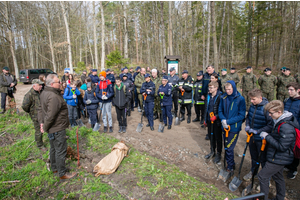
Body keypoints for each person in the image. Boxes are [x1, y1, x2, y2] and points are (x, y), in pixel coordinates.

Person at [38, 74, 77, 180]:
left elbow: (41, 109)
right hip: (57, 128)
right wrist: (44, 127)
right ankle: (62, 173)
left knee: (54, 148)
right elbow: (50, 115)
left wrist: (42, 123)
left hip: (52, 127)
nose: (60, 83)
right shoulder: (53, 96)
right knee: (60, 150)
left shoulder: (44, 92)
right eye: (58, 82)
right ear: (52, 84)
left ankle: (54, 168)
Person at [258, 100, 297, 200]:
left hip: (280, 158)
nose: (270, 115)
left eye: (271, 113)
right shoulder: (279, 121)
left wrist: (267, 137)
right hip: (276, 155)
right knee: (278, 177)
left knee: (262, 176)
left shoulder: (286, 127)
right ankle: (280, 197)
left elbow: (282, 147)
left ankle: (264, 198)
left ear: (279, 112)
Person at [243, 89, 273, 181]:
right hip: (252, 137)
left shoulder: (267, 108)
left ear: (260, 98)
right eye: (251, 99)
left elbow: (270, 125)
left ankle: (265, 178)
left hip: (261, 139)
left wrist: (258, 131)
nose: (251, 101)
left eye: (253, 99)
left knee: (263, 159)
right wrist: (247, 126)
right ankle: (253, 172)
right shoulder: (252, 106)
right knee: (254, 156)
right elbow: (248, 117)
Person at [218, 81, 246, 177]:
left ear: (234, 88)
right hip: (224, 126)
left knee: (229, 148)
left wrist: (228, 121)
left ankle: (230, 167)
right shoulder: (223, 97)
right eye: (226, 89)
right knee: (226, 146)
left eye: (229, 89)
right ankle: (231, 163)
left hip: (234, 128)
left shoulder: (240, 99)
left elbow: (242, 115)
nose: (228, 91)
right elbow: (220, 110)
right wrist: (223, 120)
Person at [22, 79, 47, 151]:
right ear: (34, 86)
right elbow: (25, 106)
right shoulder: (29, 95)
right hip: (36, 116)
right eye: (39, 85)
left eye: (41, 85)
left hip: (44, 114)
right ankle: (40, 145)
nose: (41, 86)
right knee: (38, 131)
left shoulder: (42, 92)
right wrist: (32, 112)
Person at [283, 82, 300, 179]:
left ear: (298, 90)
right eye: (288, 90)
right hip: (286, 129)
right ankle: (287, 164)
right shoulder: (287, 101)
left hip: (296, 130)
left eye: (291, 90)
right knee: (287, 148)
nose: (289, 92)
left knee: (295, 150)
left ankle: (293, 169)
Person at [203, 81, 223, 164]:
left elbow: (222, 110)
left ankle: (218, 153)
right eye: (209, 87)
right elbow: (206, 108)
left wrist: (216, 116)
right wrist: (205, 119)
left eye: (211, 88)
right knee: (211, 137)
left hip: (217, 121)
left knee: (217, 137)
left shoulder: (220, 96)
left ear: (216, 88)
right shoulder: (208, 96)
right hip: (209, 119)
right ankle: (212, 151)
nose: (209, 89)